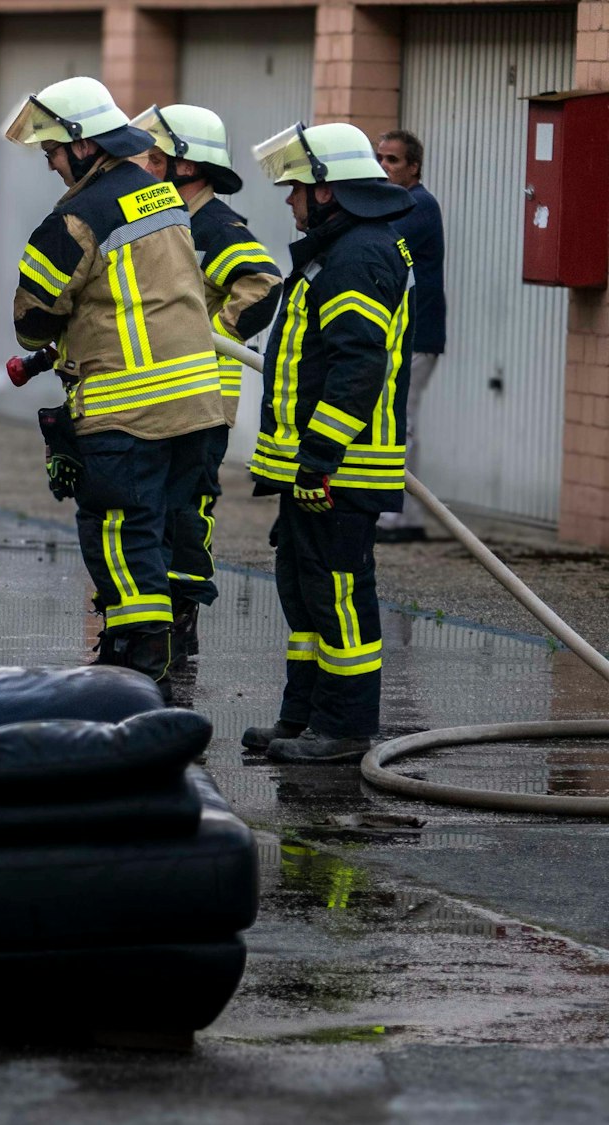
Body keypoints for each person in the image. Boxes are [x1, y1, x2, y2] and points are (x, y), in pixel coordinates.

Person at [4, 76, 228, 686]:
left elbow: (31, 321)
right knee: (160, 532)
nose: (50, 162)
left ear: (84, 145)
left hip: (127, 412)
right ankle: (155, 656)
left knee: (117, 531)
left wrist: (61, 329)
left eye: (53, 149)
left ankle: (134, 664)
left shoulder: (75, 218)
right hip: (196, 406)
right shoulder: (163, 197)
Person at [242, 121, 414, 763]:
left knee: (338, 594)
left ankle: (344, 728)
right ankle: (304, 717)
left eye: (296, 189)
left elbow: (357, 367)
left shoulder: (358, 255)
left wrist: (318, 460)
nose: (290, 200)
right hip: (315, 468)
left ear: (328, 190)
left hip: (340, 468)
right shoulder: (338, 248)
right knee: (307, 590)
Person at [132, 104, 283, 664]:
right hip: (165, 397)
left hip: (203, 402)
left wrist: (211, 333)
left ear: (188, 166)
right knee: (154, 509)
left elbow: (263, 281)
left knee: (185, 511)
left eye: (156, 158)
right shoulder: (165, 218)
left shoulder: (214, 225)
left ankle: (182, 623)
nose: (146, 167)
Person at [375, 128, 445, 543]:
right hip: (403, 331)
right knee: (398, 419)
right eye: (379, 158)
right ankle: (405, 514)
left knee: (403, 421)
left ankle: (399, 517)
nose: (383, 166)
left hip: (417, 332)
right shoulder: (398, 203)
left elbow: (384, 244)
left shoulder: (418, 205)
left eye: (393, 160)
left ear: (413, 167)